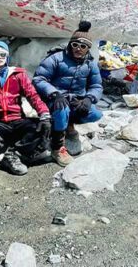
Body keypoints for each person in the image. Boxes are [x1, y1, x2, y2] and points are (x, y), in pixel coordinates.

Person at [0, 40, 51, 176]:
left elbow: (33, 96)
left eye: (2, 54)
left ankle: (13, 154)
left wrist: (44, 113)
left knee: (42, 126)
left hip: (17, 119)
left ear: (7, 57)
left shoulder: (17, 74)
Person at [34, 21, 104, 166]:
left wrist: (89, 99)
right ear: (70, 44)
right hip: (54, 98)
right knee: (61, 109)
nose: (79, 49)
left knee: (95, 114)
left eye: (83, 46)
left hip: (76, 99)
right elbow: (39, 78)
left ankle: (68, 124)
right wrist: (54, 93)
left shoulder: (91, 64)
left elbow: (96, 85)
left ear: (88, 49)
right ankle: (57, 146)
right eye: (75, 45)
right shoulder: (56, 58)